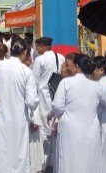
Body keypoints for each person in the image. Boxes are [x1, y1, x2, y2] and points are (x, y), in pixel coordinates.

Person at [52, 53, 106, 173]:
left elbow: (57, 106)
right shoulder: (96, 86)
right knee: (89, 159)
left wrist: (64, 116)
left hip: (69, 129)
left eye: (69, 65)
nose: (67, 68)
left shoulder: (65, 83)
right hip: (91, 129)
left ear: (76, 66)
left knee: (69, 159)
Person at [0, 36, 39, 173]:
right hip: (18, 119)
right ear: (25, 52)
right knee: (17, 151)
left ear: (10, 49)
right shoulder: (26, 71)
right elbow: (32, 102)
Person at [32, 36, 65, 171]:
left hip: (44, 97)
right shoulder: (61, 57)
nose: (36, 49)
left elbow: (34, 81)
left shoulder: (40, 59)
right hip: (57, 95)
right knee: (55, 129)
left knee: (44, 131)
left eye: (37, 46)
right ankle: (54, 160)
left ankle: (44, 162)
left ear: (41, 46)